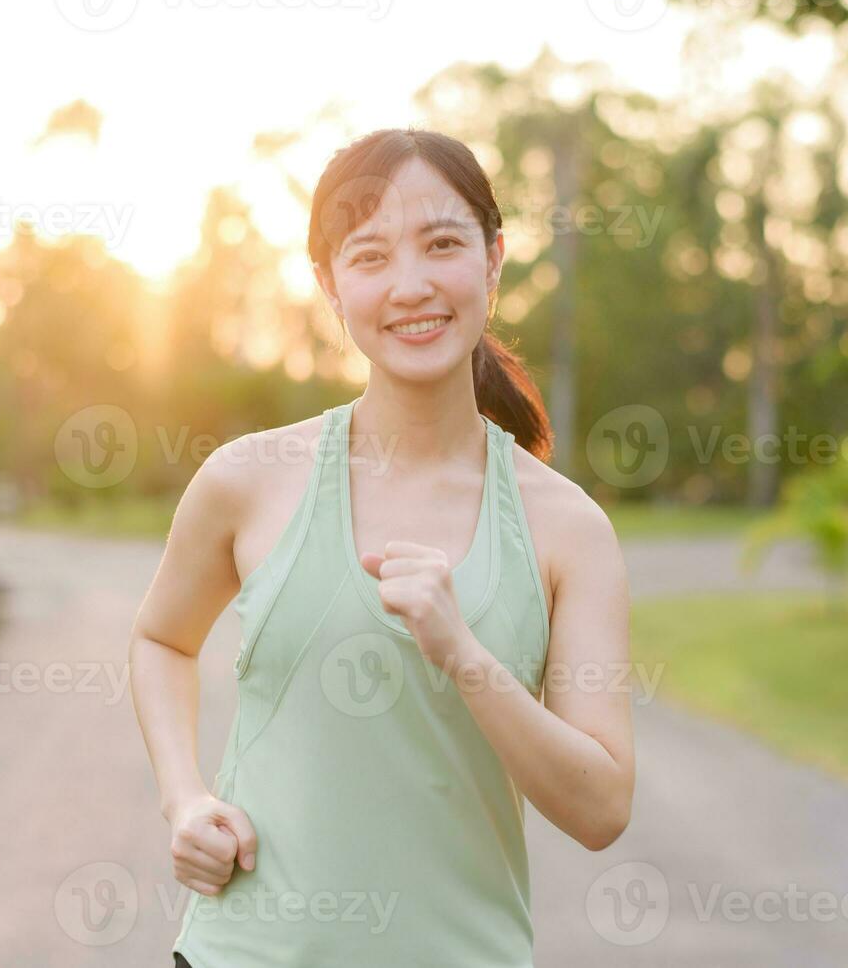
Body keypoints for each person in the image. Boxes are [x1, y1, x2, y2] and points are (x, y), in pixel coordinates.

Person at [130, 127, 635, 967]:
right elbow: (160, 640)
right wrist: (183, 799)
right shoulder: (246, 480)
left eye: (442, 244)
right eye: (369, 257)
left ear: (492, 259)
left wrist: (462, 653)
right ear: (331, 286)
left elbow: (601, 809)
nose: (410, 286)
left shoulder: (567, 528)